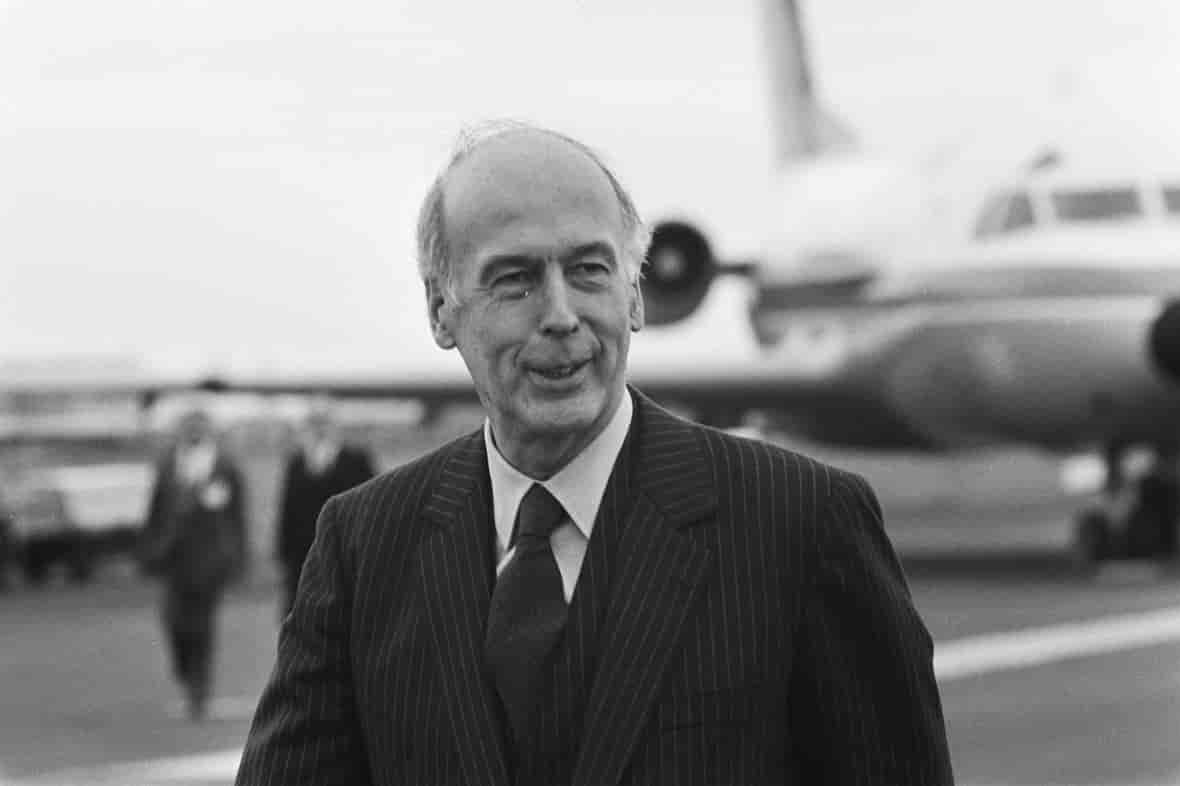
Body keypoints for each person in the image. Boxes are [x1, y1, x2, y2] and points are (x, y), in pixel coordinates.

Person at [236, 122, 953, 785]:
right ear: (439, 310)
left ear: (634, 296)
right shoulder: (363, 548)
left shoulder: (802, 523)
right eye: (514, 279)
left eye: (589, 271)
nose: (560, 315)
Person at [141, 407, 247, 721]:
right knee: (173, 621)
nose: (193, 432)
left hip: (210, 560)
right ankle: (185, 670)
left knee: (202, 626)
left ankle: (199, 690)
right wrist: (150, 550)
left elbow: (237, 517)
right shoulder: (168, 464)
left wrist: (237, 557)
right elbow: (155, 510)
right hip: (174, 559)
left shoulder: (225, 467)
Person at [275, 399, 375, 619]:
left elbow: (372, 506)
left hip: (346, 551)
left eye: (324, 422)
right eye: (314, 422)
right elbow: (287, 511)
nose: (319, 428)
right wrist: (283, 552)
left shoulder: (356, 460)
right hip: (303, 553)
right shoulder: (297, 463)